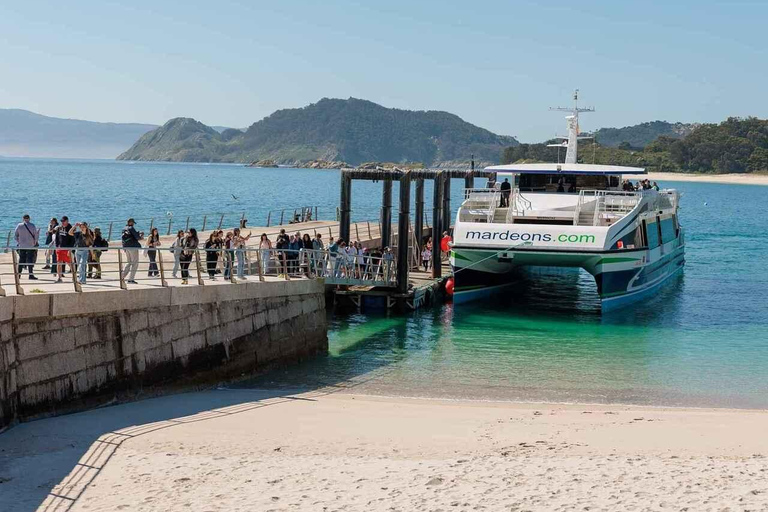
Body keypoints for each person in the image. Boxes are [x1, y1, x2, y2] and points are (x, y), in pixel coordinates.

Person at [14, 214, 39, 280]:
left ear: (23, 218)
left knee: (21, 259)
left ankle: (18, 275)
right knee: (30, 259)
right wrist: (35, 242)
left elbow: (15, 236)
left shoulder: (19, 225)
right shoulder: (32, 225)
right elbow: (36, 236)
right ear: (29, 218)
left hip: (22, 245)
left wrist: (19, 242)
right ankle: (30, 275)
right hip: (30, 245)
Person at [121, 218, 144, 284]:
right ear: (130, 222)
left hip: (126, 247)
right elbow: (137, 237)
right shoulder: (131, 228)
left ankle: (122, 277)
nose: (133, 224)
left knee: (128, 262)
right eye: (133, 223)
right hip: (133, 247)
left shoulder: (124, 229)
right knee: (135, 263)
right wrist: (141, 236)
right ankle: (131, 279)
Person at [55, 216, 75, 283]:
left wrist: (70, 249)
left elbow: (73, 240)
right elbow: (57, 237)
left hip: (67, 249)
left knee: (70, 263)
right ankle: (59, 278)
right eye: (62, 221)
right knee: (59, 263)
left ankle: (74, 277)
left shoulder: (70, 228)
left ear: (67, 221)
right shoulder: (59, 228)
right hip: (59, 248)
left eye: (64, 221)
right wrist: (57, 246)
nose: (62, 223)